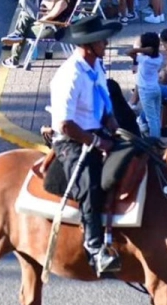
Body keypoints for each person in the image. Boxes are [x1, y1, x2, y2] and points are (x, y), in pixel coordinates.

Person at [49, 15, 124, 275]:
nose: (106, 42)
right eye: (101, 40)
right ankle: (94, 248)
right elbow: (64, 124)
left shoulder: (96, 68)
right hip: (73, 141)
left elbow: (102, 106)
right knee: (90, 183)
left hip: (98, 131)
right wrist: (96, 141)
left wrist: (113, 123)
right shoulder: (69, 76)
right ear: (87, 45)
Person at [1, 0, 78, 67]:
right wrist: (46, 3)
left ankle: (15, 54)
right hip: (51, 27)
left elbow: (51, 16)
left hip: (49, 29)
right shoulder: (68, 0)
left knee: (23, 2)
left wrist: (40, 20)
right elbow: (54, 9)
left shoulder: (62, 2)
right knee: (23, 15)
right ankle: (16, 40)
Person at [128, 31, 164, 137]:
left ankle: (154, 141)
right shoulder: (159, 58)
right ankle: (157, 137)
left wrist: (140, 50)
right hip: (156, 88)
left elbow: (129, 52)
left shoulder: (144, 59)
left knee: (151, 119)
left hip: (145, 91)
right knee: (156, 116)